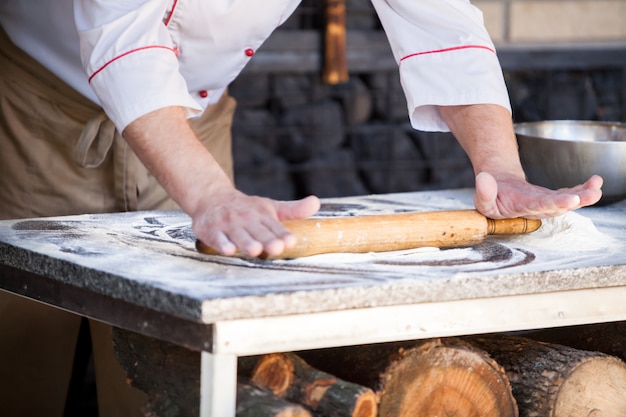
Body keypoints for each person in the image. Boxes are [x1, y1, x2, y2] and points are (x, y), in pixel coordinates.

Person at [0, 0, 603, 416]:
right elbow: (121, 33)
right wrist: (209, 195)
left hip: (192, 123)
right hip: (36, 108)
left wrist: (499, 167)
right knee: (22, 358)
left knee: (167, 374)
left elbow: (441, 20)